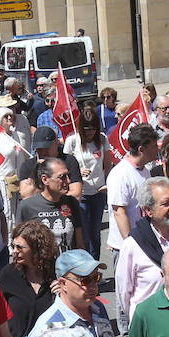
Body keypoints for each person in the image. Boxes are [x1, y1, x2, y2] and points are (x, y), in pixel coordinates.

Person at [114, 177, 169, 336]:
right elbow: (123, 293)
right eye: (166, 203)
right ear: (148, 211)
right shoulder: (133, 245)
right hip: (148, 331)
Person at [106, 124, 161, 255]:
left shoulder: (146, 172)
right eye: (154, 146)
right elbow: (119, 212)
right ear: (142, 149)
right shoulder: (120, 174)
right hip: (126, 248)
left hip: (144, 243)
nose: (157, 148)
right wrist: (130, 244)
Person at [63, 110, 110, 257]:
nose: (90, 132)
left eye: (93, 128)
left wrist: (106, 182)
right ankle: (84, 267)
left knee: (95, 232)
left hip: (98, 192)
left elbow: (107, 164)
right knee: (82, 231)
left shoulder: (102, 139)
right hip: (80, 194)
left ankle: (95, 265)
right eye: (87, 129)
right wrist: (77, 171)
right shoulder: (72, 141)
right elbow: (65, 166)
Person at [18, 157, 85, 254]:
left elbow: (79, 243)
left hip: (68, 267)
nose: (68, 181)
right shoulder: (26, 206)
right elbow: (20, 245)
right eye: (62, 177)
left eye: (68, 175)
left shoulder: (72, 202)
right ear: (45, 179)